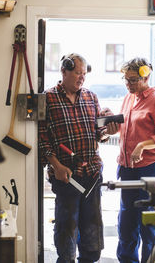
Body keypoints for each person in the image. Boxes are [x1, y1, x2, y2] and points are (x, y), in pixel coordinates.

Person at [38, 53, 112, 263]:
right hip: (66, 175)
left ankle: (89, 259)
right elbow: (42, 138)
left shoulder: (91, 97)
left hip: (92, 172)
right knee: (66, 225)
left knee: (92, 224)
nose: (82, 78)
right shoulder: (48, 98)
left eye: (84, 74)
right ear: (64, 71)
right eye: (78, 73)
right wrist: (56, 166)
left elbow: (100, 134)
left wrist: (108, 131)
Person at [106, 57, 155, 263]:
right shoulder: (129, 97)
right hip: (127, 168)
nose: (129, 84)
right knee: (126, 223)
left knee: (149, 225)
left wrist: (142, 145)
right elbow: (127, 127)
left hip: (151, 168)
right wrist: (111, 121)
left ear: (146, 76)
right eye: (125, 79)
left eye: (133, 80)